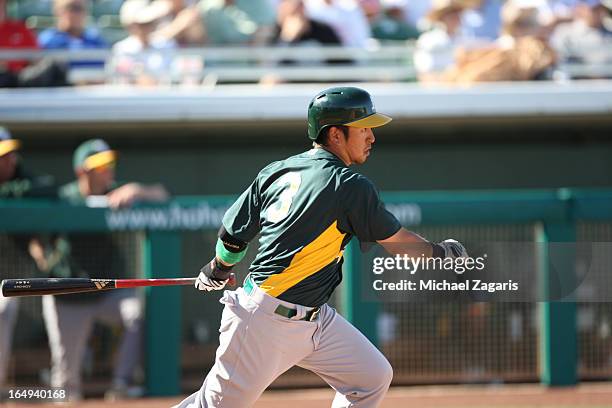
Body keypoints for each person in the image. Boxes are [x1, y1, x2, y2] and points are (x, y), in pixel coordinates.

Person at [173, 86, 468, 408]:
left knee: (370, 377)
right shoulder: (349, 184)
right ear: (335, 135)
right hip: (266, 322)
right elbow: (399, 244)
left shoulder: (278, 171)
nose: (372, 137)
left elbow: (233, 235)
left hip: (316, 319)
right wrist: (442, 252)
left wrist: (219, 267)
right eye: (363, 128)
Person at [30, 139, 169, 401]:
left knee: (135, 314)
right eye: (100, 167)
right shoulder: (64, 198)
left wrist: (137, 190)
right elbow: (33, 233)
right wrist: (43, 258)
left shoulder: (115, 192)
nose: (108, 171)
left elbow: (162, 194)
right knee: (66, 382)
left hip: (107, 290)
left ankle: (121, 384)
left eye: (109, 165)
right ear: (82, 171)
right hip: (68, 294)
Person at [0, 127, 56, 399]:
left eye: (11, 155)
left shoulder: (21, 177)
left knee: (3, 310)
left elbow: (47, 186)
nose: (9, 161)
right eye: (3, 157)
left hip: (10, 277)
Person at [110, 0, 177, 85]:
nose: (145, 28)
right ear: (131, 26)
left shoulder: (167, 45)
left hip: (162, 95)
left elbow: (173, 75)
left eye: (149, 23)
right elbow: (119, 80)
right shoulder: (121, 49)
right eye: (141, 24)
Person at [38, 0, 107, 69]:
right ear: (57, 10)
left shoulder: (96, 40)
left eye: (80, 8)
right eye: (71, 8)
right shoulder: (46, 41)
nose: (76, 14)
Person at [550, 0, 612, 76]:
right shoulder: (565, 34)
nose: (598, 13)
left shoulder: (610, 33)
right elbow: (561, 62)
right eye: (593, 9)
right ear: (580, 10)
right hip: (578, 83)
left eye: (600, 9)